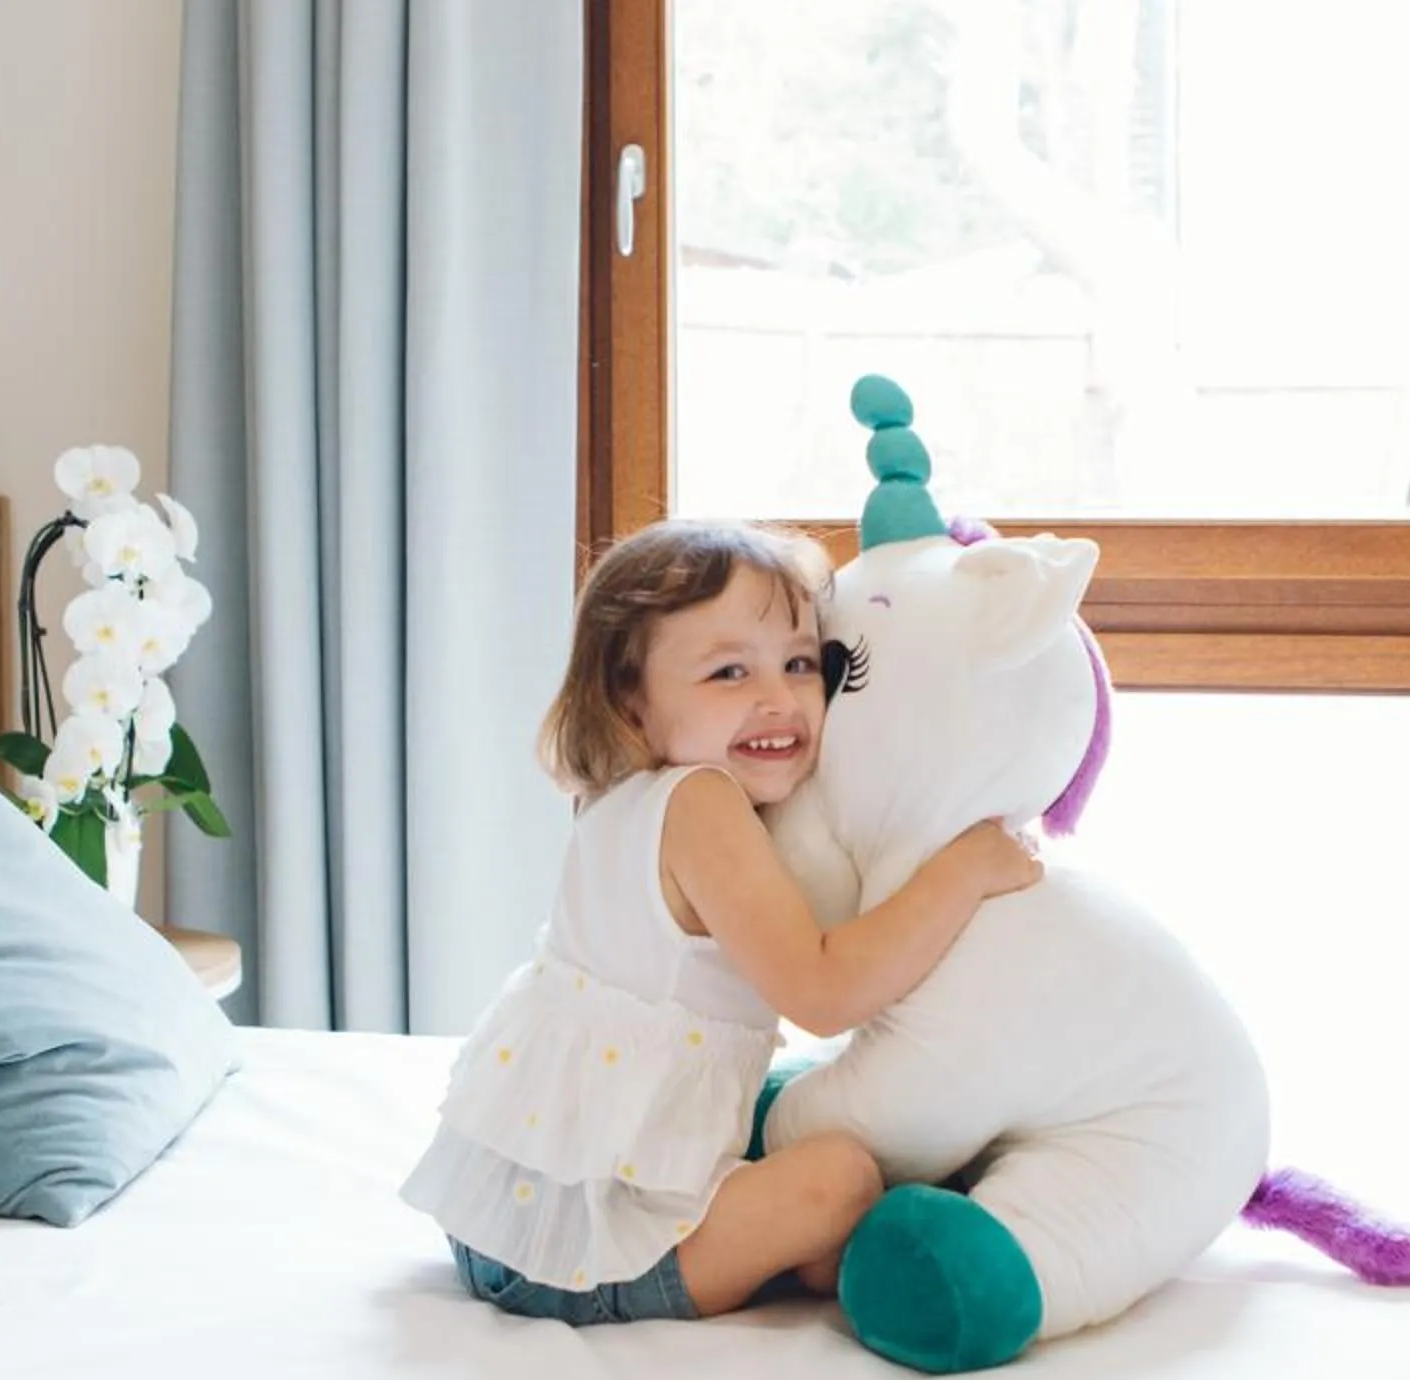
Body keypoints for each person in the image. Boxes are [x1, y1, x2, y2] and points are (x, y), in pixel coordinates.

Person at [399, 519, 1040, 1324]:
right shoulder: (701, 804)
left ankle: (792, 1244)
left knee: (812, 1113)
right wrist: (965, 869)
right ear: (630, 700)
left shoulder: (623, 797)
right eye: (729, 671)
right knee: (838, 1175)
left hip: (515, 1214)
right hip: (569, 1251)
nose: (779, 698)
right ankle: (817, 1257)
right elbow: (823, 990)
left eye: (801, 663)